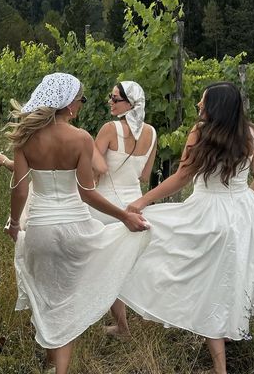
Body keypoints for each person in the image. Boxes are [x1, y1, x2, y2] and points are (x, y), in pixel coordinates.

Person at [119, 82, 254, 374]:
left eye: (202, 102)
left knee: (199, 276)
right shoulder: (252, 135)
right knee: (231, 274)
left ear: (214, 107)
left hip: (206, 212)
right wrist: (244, 202)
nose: (199, 107)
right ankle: (225, 331)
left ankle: (219, 367)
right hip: (241, 215)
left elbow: (182, 178)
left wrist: (143, 201)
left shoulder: (201, 132)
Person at [4, 72, 150, 374]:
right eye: (81, 100)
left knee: (46, 296)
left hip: (41, 228)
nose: (82, 105)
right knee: (67, 301)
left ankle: (51, 361)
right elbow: (87, 193)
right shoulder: (81, 138)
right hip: (76, 227)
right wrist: (124, 216)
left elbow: (19, 189)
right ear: (69, 104)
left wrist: (15, 223)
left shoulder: (26, 137)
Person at [90, 80, 157, 338]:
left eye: (115, 98)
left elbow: (94, 169)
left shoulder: (109, 129)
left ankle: (117, 324)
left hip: (106, 206)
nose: (110, 101)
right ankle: (123, 324)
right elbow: (146, 175)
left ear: (130, 103)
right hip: (136, 206)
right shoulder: (151, 133)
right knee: (124, 267)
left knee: (105, 268)